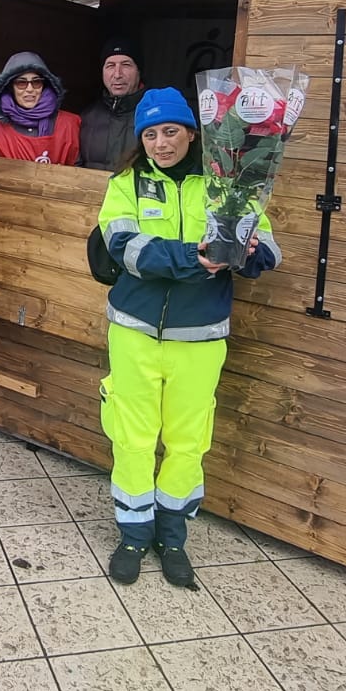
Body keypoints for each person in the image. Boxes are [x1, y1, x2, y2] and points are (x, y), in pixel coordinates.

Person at [97, 88, 280, 588]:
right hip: (134, 333)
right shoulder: (126, 184)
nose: (161, 142)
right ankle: (133, 534)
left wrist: (250, 251)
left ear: (192, 133)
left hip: (199, 338)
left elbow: (269, 249)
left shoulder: (227, 184)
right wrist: (193, 260)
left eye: (171, 131)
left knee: (187, 442)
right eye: (151, 134)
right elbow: (125, 248)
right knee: (132, 438)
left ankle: (172, 535)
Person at [0, 51, 81, 164]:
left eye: (36, 82)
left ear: (45, 86)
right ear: (10, 87)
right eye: (21, 83)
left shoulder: (69, 125)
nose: (30, 89)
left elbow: (79, 173)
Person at [81, 38, 145, 170]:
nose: (117, 74)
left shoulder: (155, 116)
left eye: (126, 65)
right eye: (110, 66)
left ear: (139, 71)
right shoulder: (87, 117)